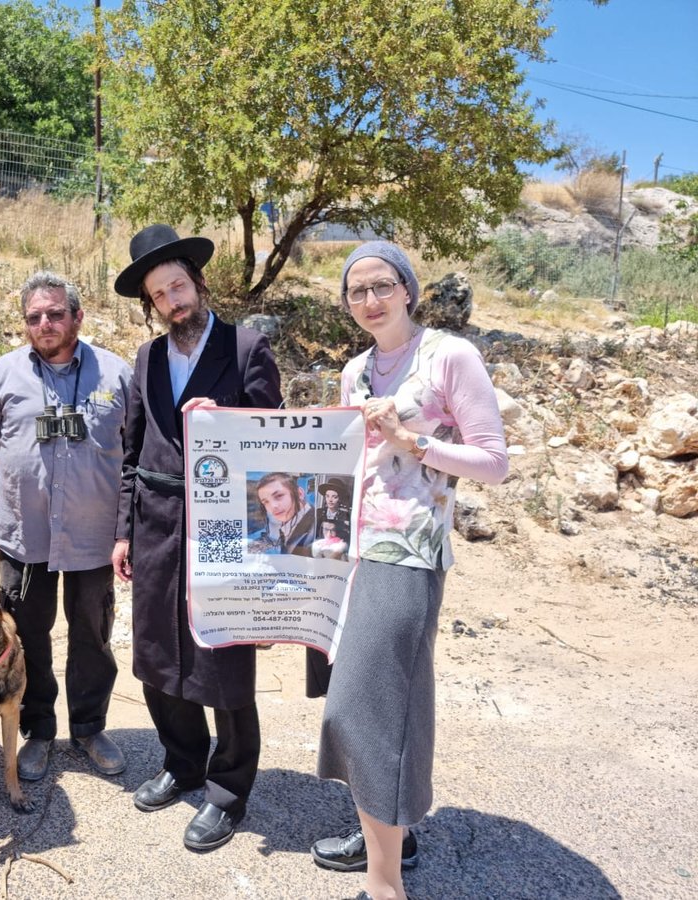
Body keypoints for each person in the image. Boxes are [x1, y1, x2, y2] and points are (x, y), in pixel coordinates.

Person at [310, 242, 508, 900]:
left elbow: (492, 461)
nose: (369, 300)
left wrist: (413, 441)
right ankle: (389, 833)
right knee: (377, 702)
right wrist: (213, 427)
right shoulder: (355, 370)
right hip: (355, 549)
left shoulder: (450, 356)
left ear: (408, 290)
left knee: (363, 707)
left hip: (410, 551)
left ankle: (385, 882)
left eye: (382, 286)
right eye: (356, 291)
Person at [112, 224, 282, 851]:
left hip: (225, 529)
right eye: (159, 295)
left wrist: (224, 424)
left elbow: (273, 450)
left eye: (178, 286)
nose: (173, 302)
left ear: (199, 283)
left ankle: (228, 789)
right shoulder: (148, 359)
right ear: (151, 304)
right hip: (156, 523)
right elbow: (130, 452)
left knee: (224, 661)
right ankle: (182, 762)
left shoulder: (247, 349)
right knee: (158, 655)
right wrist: (122, 531)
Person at [0, 271, 132, 782]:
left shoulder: (117, 375)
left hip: (93, 539)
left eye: (56, 313)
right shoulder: (4, 374)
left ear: (77, 316)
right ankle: (39, 730)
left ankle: (88, 727)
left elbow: (136, 458)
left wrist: (128, 531)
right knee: (28, 637)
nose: (45, 323)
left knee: (92, 636)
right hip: (25, 537)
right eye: (34, 316)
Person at [246, 472, 315, 555]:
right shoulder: (289, 522)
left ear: (299, 494)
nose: (273, 506)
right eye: (266, 502)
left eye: (279, 496)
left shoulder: (314, 530)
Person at [317, 477, 352, 545]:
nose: (330, 500)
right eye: (327, 496)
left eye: (334, 497)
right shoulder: (318, 513)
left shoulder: (346, 516)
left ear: (340, 498)